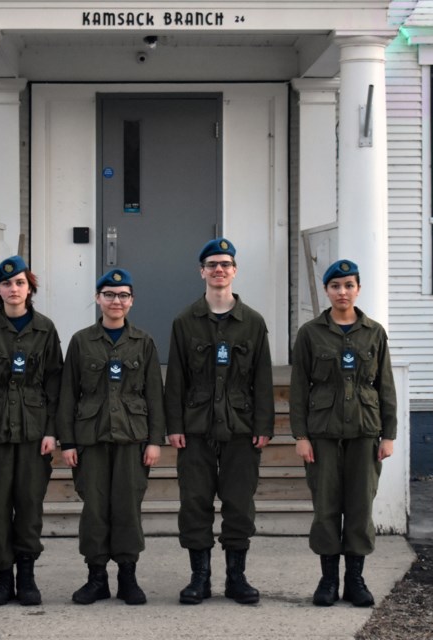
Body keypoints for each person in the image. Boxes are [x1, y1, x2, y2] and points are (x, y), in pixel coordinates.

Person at [164, 238, 274, 605]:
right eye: (212, 265)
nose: (219, 270)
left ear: (234, 271)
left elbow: (262, 378)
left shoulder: (253, 323)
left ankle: (236, 578)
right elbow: (175, 377)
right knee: (194, 501)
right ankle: (200, 578)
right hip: (195, 427)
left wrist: (264, 425)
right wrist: (174, 425)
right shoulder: (185, 321)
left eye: (225, 264)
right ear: (202, 272)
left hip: (241, 427)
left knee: (239, 502)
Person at [289, 258, 397, 608]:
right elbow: (298, 388)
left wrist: (389, 434)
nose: (342, 292)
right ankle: (327, 580)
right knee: (326, 507)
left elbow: (385, 387)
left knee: (360, 507)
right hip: (322, 433)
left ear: (358, 289)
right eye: (335, 286)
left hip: (365, 431)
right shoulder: (310, 333)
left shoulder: (374, 332)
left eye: (349, 285)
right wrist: (300, 435)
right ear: (326, 291)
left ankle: (355, 580)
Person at [0, 255, 64, 607]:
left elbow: (55, 383)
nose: (13, 289)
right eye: (7, 284)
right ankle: (3, 578)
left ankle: (28, 577)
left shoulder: (46, 329)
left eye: (20, 283)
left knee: (30, 506)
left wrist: (53, 430)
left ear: (29, 288)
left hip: (34, 432)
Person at [56, 268, 165, 606]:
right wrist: (68, 441)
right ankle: (96, 577)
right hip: (91, 439)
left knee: (128, 507)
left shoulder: (143, 341)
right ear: (97, 298)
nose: (116, 301)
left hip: (133, 439)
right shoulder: (81, 341)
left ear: (131, 301)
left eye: (123, 295)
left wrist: (154, 441)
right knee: (95, 509)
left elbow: (154, 394)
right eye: (109, 295)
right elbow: (68, 394)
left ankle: (128, 577)